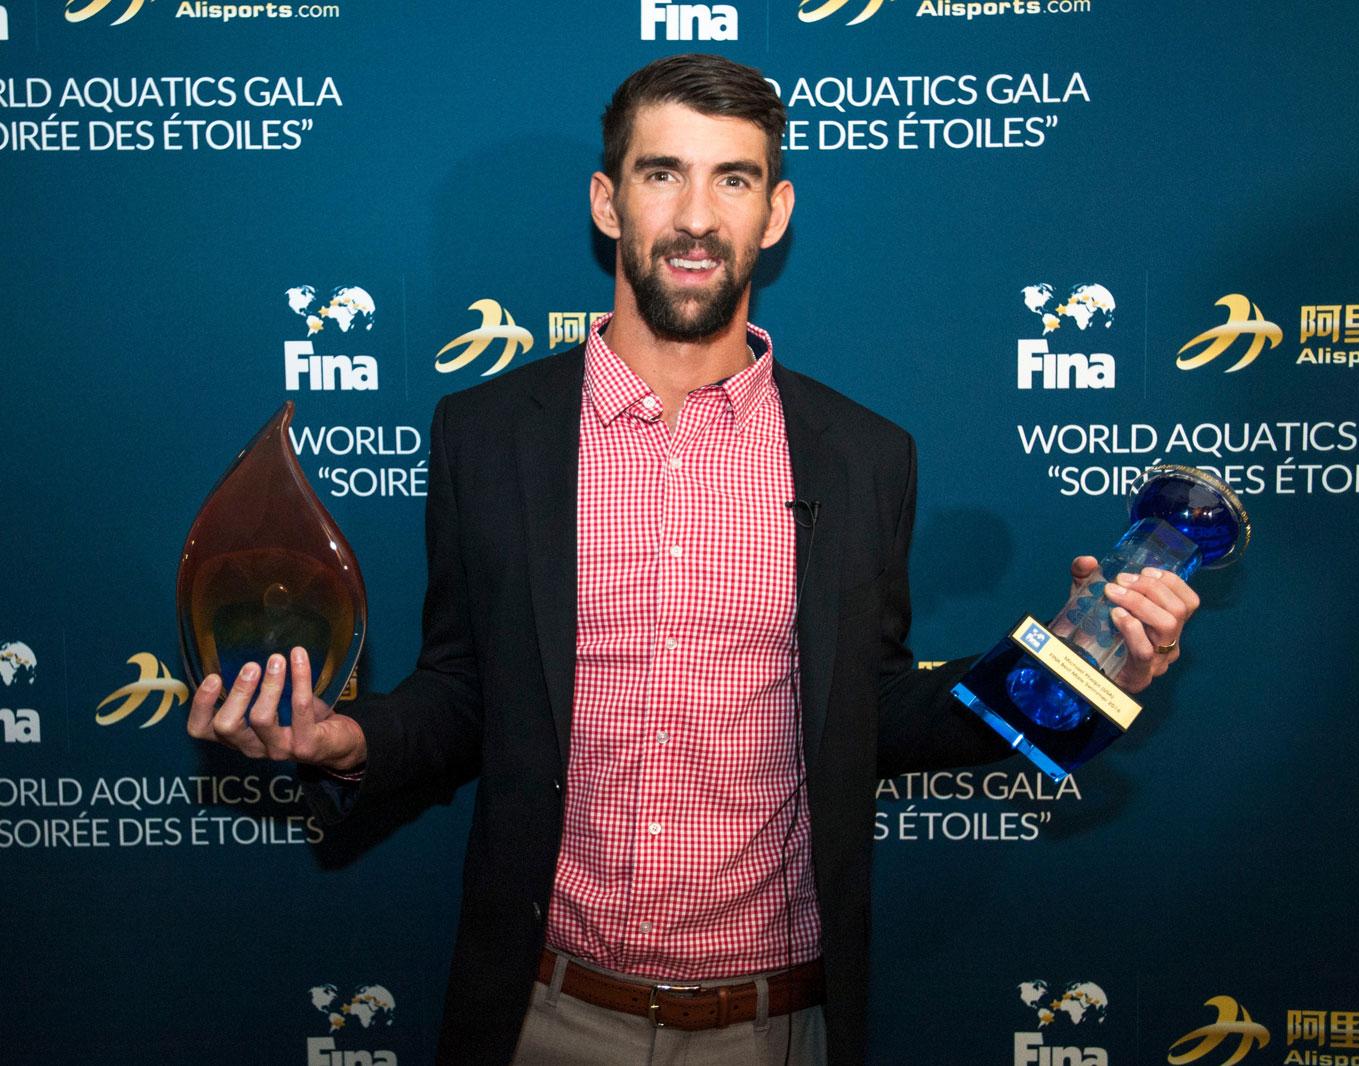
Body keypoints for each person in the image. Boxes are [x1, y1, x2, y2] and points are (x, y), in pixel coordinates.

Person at [187, 53, 1198, 1066]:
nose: (699, 216)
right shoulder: (487, 434)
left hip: (776, 1026)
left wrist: (1071, 671)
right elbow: (463, 694)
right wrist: (341, 740)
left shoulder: (863, 456)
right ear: (608, 202)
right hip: (541, 1014)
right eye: (663, 172)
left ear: (777, 210)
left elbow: (874, 711)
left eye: (735, 178)